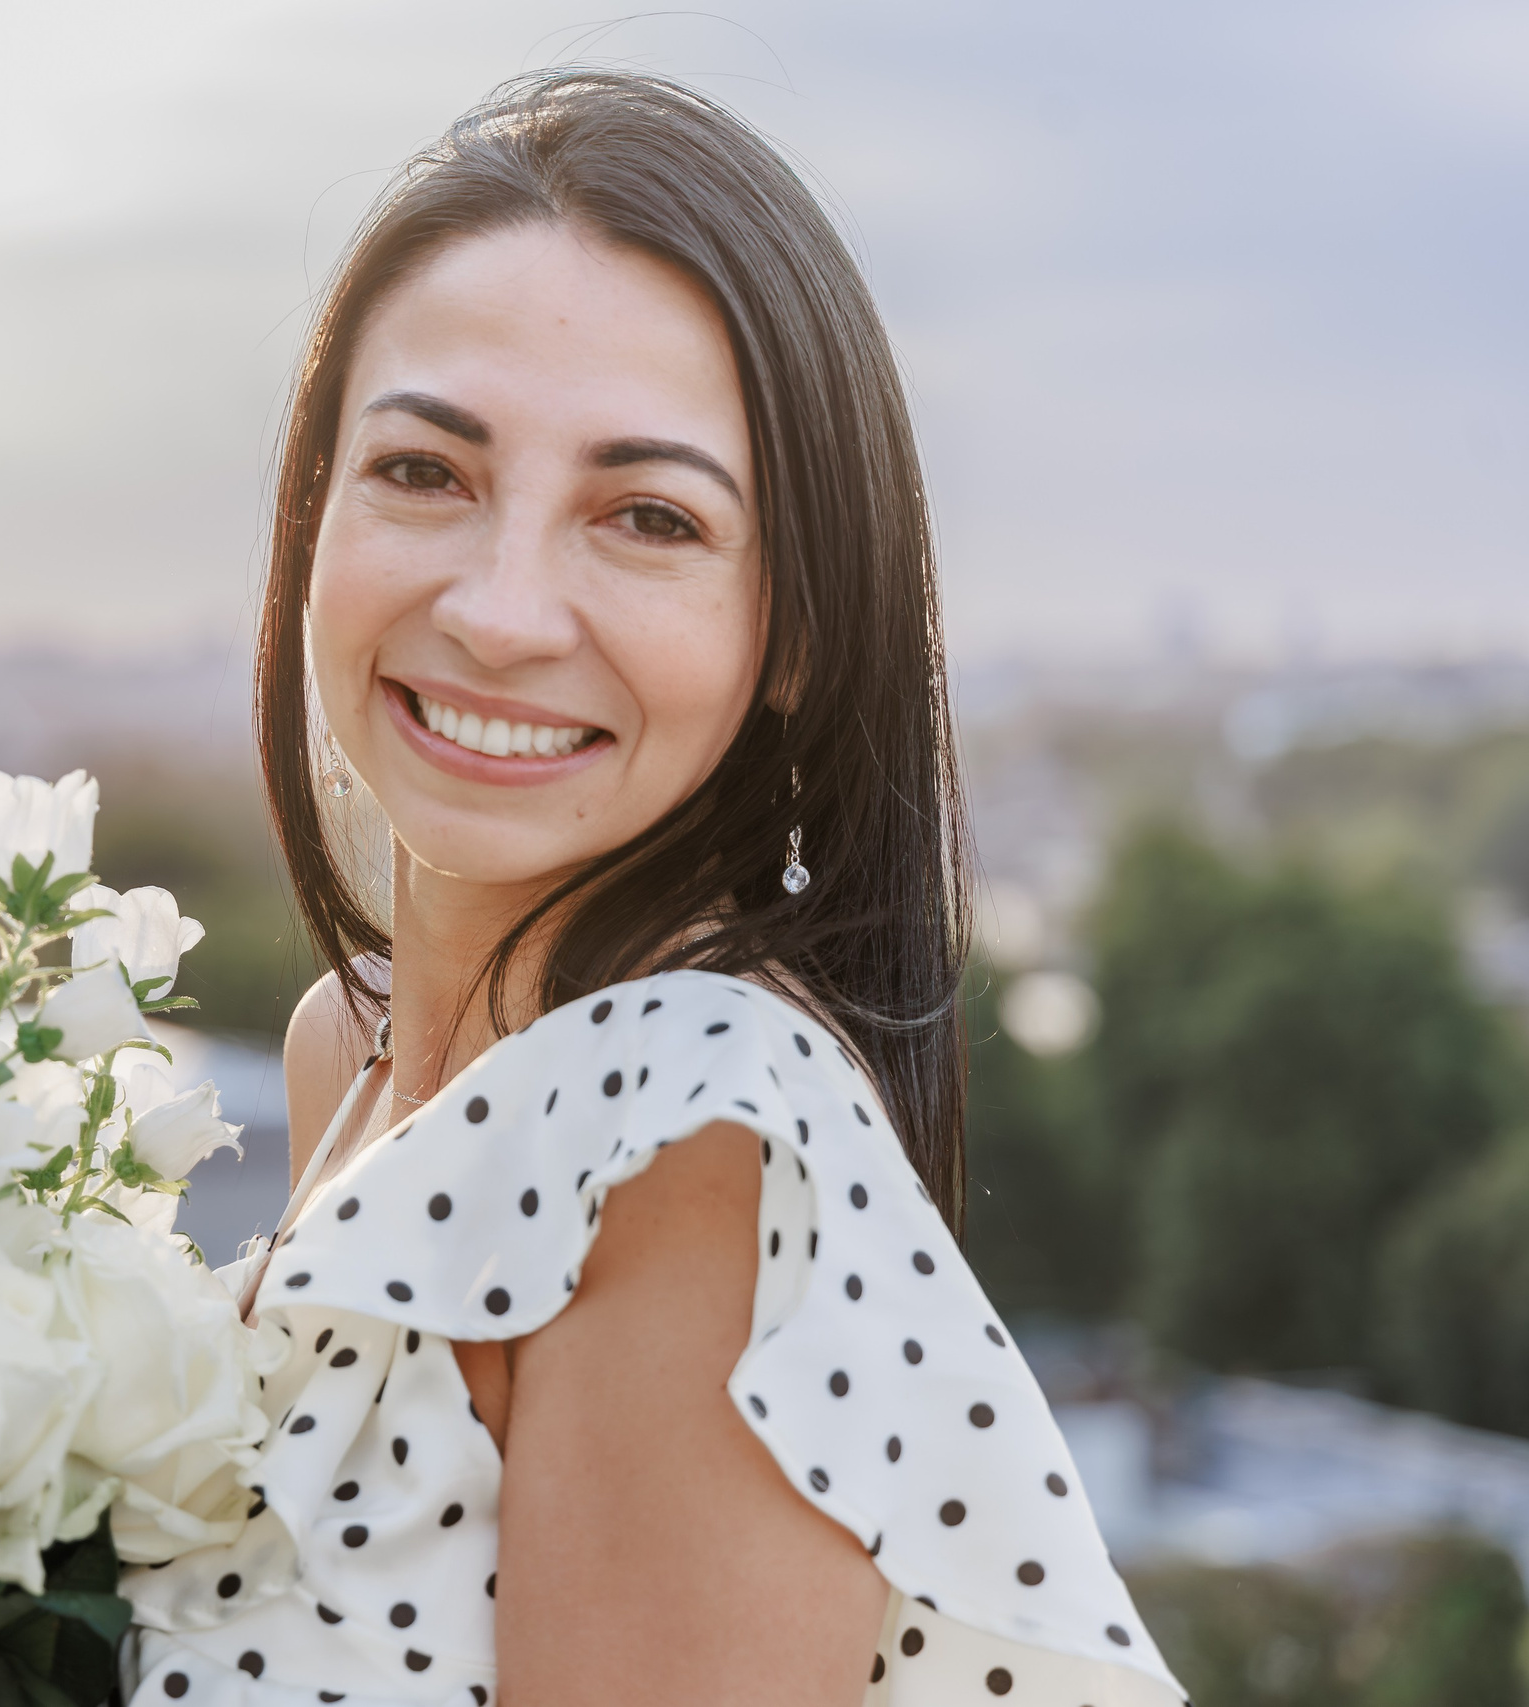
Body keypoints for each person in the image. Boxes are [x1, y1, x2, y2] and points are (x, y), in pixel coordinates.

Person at [121, 70, 1182, 1706]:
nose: (502, 609)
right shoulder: (356, 1051)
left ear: (799, 636)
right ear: (312, 506)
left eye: (647, 516)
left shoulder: (687, 1138)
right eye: (426, 473)